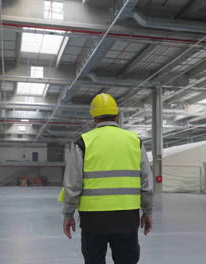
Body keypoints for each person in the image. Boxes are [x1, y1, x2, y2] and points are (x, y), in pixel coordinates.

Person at [59, 93, 154, 264]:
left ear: (94, 118)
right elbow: (146, 184)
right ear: (116, 115)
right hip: (127, 217)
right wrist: (147, 212)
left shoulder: (83, 142)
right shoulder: (134, 141)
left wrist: (68, 214)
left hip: (93, 220)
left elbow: (73, 185)